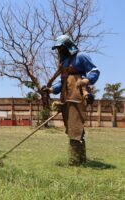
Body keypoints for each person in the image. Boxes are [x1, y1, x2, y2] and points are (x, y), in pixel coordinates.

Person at [44, 35, 100, 166]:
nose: (59, 51)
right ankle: (79, 159)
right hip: (65, 99)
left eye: (61, 48)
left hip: (77, 97)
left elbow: (94, 71)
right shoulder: (63, 63)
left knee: (76, 128)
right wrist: (51, 90)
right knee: (71, 129)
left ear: (68, 46)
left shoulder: (81, 56)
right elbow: (62, 81)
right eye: (58, 49)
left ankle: (75, 160)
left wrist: (87, 80)